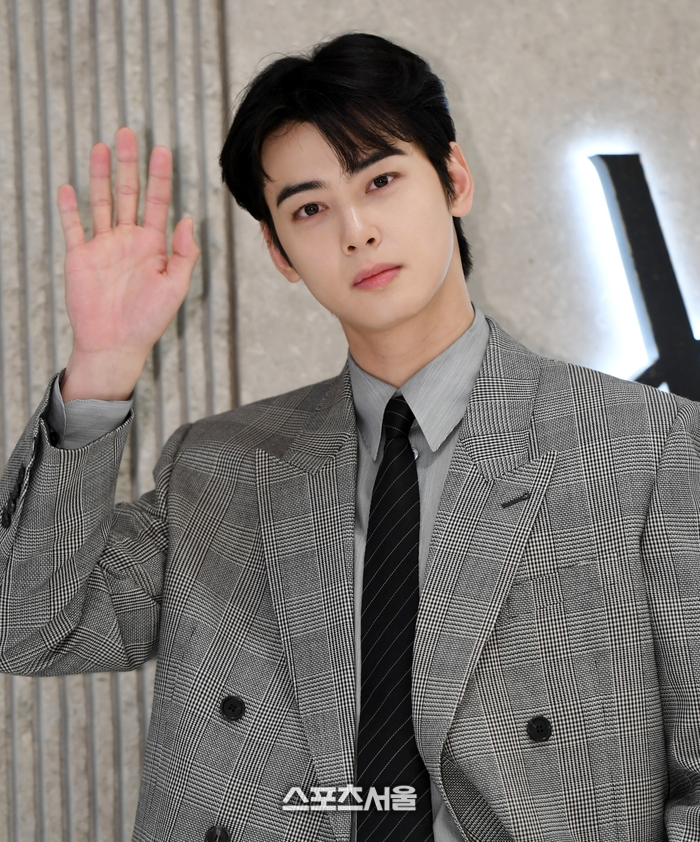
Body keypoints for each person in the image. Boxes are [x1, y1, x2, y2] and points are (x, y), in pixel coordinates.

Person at [0, 30, 698, 842]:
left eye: (381, 179)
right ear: (279, 251)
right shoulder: (219, 470)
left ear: (455, 178)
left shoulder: (649, 449)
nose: (356, 229)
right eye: (310, 208)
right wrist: (103, 365)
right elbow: (29, 627)